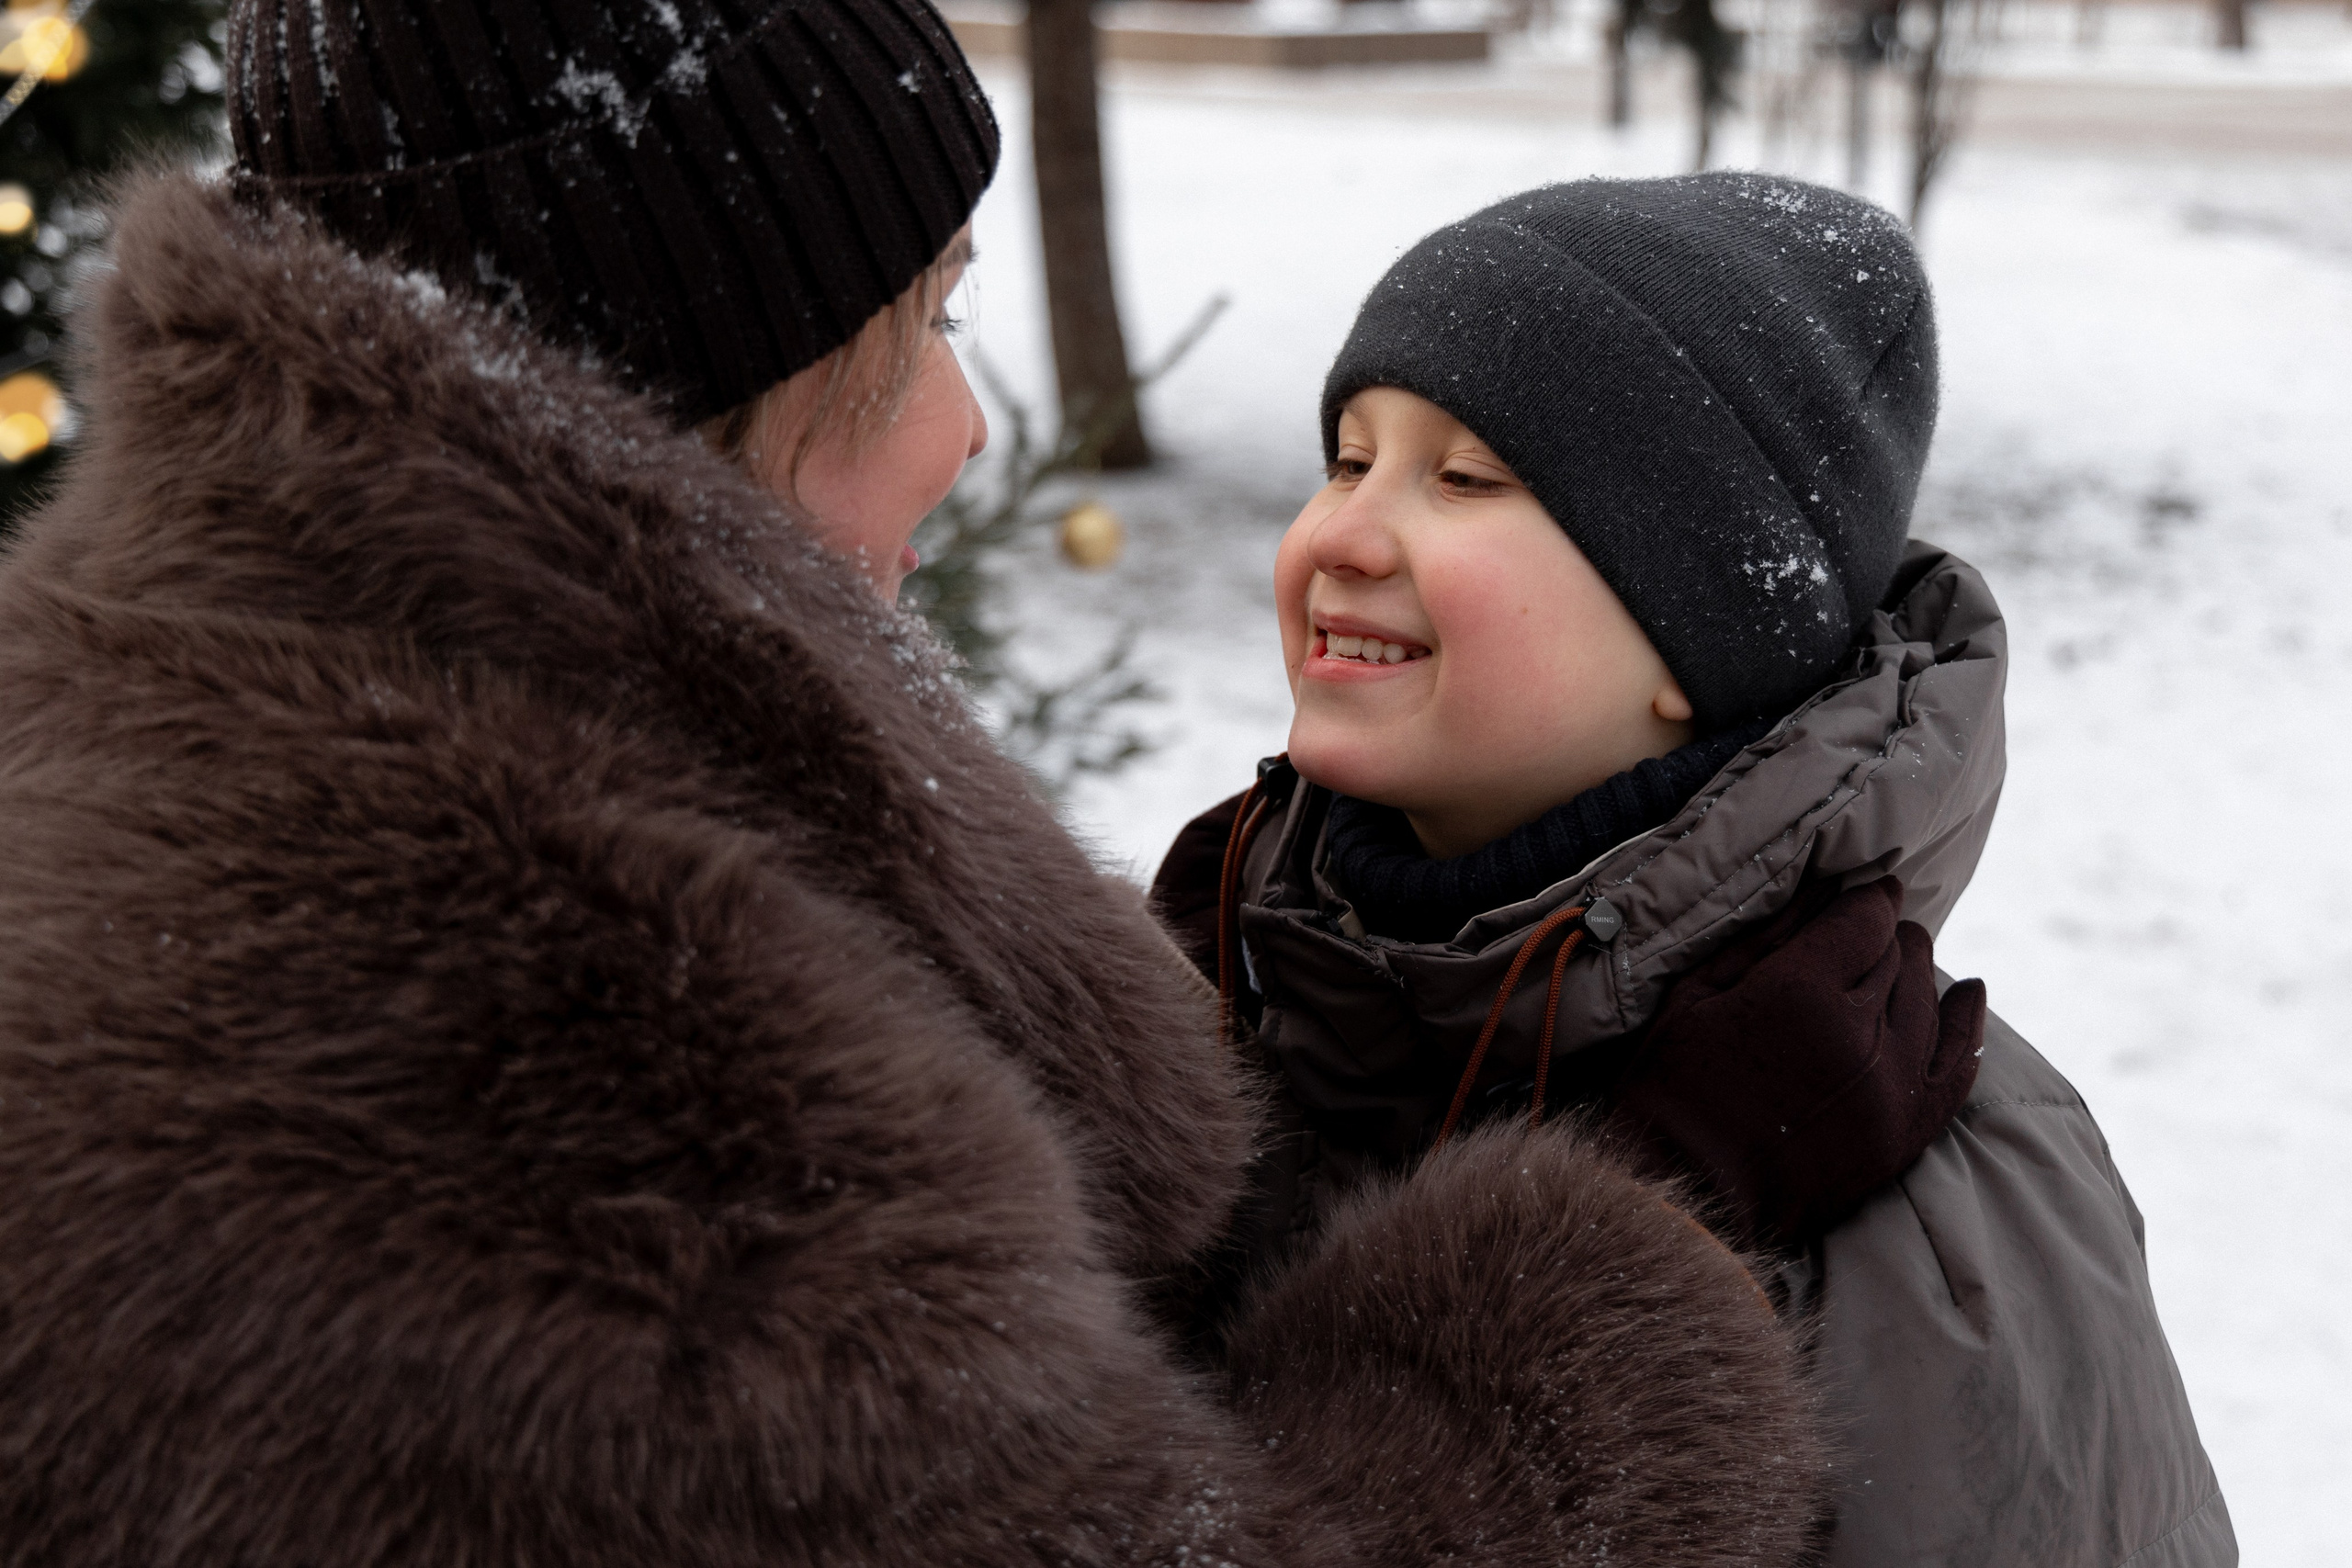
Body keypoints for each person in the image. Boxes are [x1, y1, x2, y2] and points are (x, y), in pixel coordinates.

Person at [0, 6, 1829, 1564]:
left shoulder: (135, 727)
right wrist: (1606, 1306)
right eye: (926, 318)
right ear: (698, 359)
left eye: (1472, 476)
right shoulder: (617, 1067)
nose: (963, 432)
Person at [1155, 175, 2237, 1567]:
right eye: (1349, 459)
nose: (1346, 536)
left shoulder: (1913, 1178)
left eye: (1466, 479)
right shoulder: (1238, 1004)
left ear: (1701, 637)